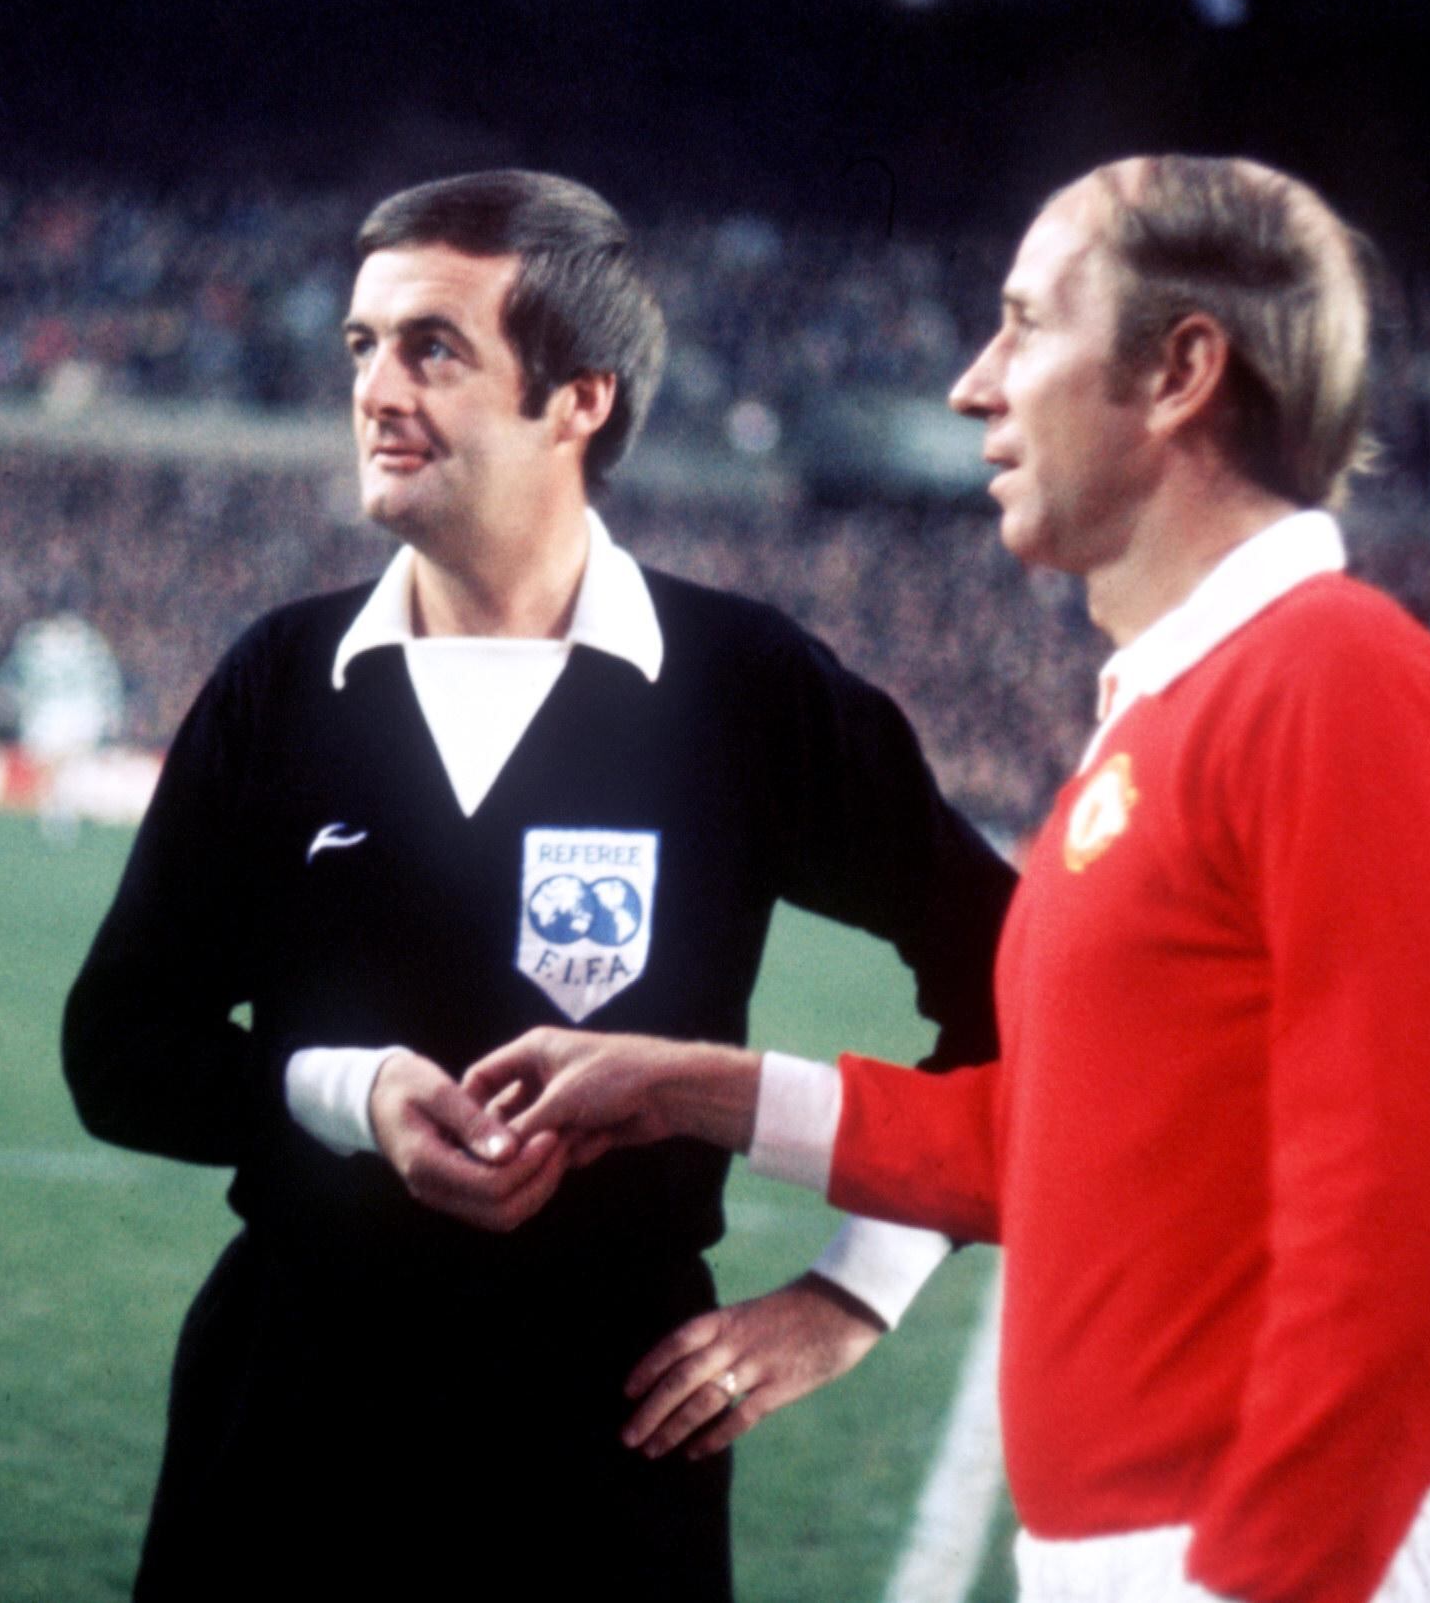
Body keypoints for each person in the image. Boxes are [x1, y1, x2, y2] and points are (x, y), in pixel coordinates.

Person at [472, 157, 1430, 1603]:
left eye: (1026, 326)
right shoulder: (1179, 708)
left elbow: (1418, 1232)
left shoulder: (1335, 683)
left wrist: (1257, 1581)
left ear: (1181, 371)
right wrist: (686, 1088)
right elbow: (1056, 1147)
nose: (975, 387)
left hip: (1284, 1554)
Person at [61, 170, 1013, 1600]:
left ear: (580, 397)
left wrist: (847, 1299)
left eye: (432, 347)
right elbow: (119, 1052)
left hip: (612, 1433)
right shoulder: (281, 681)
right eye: (362, 347)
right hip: (286, 1414)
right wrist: (355, 1095)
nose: (378, 389)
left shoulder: (741, 689)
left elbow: (1021, 982)